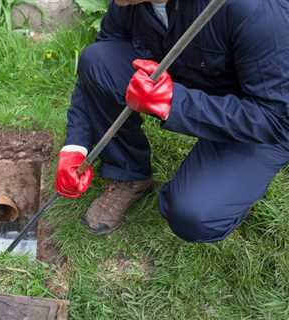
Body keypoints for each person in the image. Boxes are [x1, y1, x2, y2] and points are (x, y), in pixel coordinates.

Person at [54, 0, 289, 242]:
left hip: (259, 118)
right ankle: (128, 175)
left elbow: (276, 118)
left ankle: (221, 189)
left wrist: (173, 103)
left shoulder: (253, 9)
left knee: (194, 214)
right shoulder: (129, 2)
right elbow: (97, 65)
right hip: (197, 80)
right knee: (98, 60)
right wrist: (75, 145)